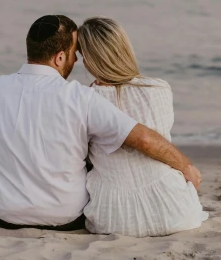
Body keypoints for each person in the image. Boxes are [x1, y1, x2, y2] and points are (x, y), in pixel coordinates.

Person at [0, 15, 201, 230]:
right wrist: (185, 166)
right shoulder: (80, 97)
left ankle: (4, 195)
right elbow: (144, 138)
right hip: (65, 218)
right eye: (75, 54)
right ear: (60, 56)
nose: (76, 61)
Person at [78, 17, 208, 237]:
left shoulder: (85, 99)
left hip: (113, 219)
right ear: (124, 49)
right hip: (176, 211)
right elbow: (159, 139)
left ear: (90, 60)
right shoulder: (159, 88)